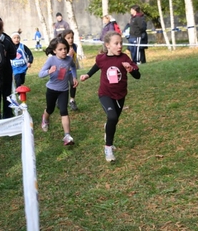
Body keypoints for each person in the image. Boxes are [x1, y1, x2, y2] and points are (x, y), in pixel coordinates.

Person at [80, 31, 141, 162]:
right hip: (105, 94)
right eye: (116, 43)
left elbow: (138, 76)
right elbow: (97, 66)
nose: (120, 46)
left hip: (120, 95)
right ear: (108, 45)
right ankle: (108, 148)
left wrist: (131, 69)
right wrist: (88, 75)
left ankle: (108, 127)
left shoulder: (125, 58)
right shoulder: (101, 58)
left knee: (114, 120)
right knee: (112, 116)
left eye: (121, 43)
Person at [39, 37, 78, 145]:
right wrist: (49, 71)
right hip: (51, 89)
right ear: (54, 50)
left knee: (64, 111)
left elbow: (73, 67)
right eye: (60, 49)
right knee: (50, 109)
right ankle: (45, 119)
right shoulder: (51, 60)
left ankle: (67, 136)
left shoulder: (69, 59)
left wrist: (74, 77)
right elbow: (40, 74)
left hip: (64, 90)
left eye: (65, 48)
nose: (64, 51)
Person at [0, 16, 17, 119]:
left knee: (5, 95)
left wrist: (5, 54)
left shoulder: (6, 39)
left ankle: (6, 116)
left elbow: (13, 54)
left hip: (4, 71)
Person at [60, 29, 80, 111]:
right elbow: (61, 60)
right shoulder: (61, 47)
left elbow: (73, 62)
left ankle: (72, 100)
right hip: (62, 69)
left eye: (72, 37)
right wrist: (69, 55)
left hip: (71, 69)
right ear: (64, 38)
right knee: (61, 86)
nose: (71, 39)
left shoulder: (74, 46)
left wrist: (75, 76)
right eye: (68, 38)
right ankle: (59, 100)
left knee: (73, 84)